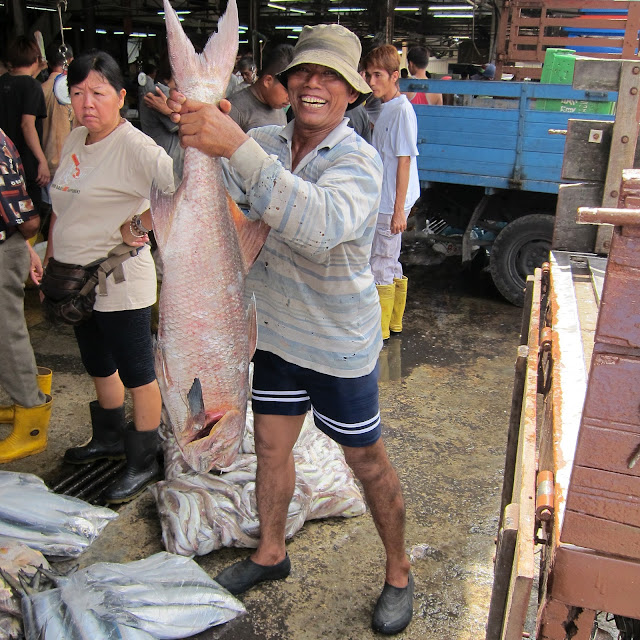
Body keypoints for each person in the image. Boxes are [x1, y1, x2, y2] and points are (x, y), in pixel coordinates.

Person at [164, 23, 413, 636]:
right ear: (286, 82)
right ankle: (270, 551)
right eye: (304, 71)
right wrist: (197, 130)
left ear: (353, 93)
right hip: (270, 336)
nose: (314, 84)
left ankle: (400, 569)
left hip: (336, 346)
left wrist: (234, 147)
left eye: (331, 76)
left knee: (367, 460)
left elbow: (319, 223)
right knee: (272, 450)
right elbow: (213, 203)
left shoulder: (361, 161)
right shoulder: (265, 140)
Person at [45, 51, 174, 504]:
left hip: (119, 280)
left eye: (98, 93)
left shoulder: (136, 146)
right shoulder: (78, 137)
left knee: (138, 372)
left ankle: (143, 459)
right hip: (75, 281)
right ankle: (109, 438)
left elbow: (180, 188)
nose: (87, 104)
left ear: (121, 96)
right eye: (77, 93)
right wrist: (49, 250)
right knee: (98, 363)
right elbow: (65, 203)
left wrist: (139, 226)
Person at [0, 128, 52, 463]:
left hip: (5, 243)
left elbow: (27, 219)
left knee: (6, 333)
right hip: (10, 241)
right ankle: (25, 397)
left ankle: (31, 416)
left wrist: (25, 246)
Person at [363, 44, 420, 340]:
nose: (371, 81)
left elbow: (404, 161)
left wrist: (398, 210)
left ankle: (380, 331)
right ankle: (393, 324)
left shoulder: (401, 111)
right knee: (390, 260)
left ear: (395, 76)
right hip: (385, 198)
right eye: (368, 75)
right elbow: (364, 102)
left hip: (390, 201)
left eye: (377, 75)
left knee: (380, 262)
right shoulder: (382, 106)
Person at [0, 37, 50, 217]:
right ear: (36, 60)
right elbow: (27, 125)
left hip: (3, 163)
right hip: (25, 163)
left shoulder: (3, 81)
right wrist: (42, 160)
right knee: (30, 216)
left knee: (8, 214)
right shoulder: (32, 86)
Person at [227, 44, 293, 132]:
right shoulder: (234, 109)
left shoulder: (278, 107)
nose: (291, 98)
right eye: (287, 90)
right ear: (267, 81)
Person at [139, 61, 184, 182]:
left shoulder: (166, 92)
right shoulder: (161, 92)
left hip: (164, 164)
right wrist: (169, 112)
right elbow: (186, 127)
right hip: (168, 167)